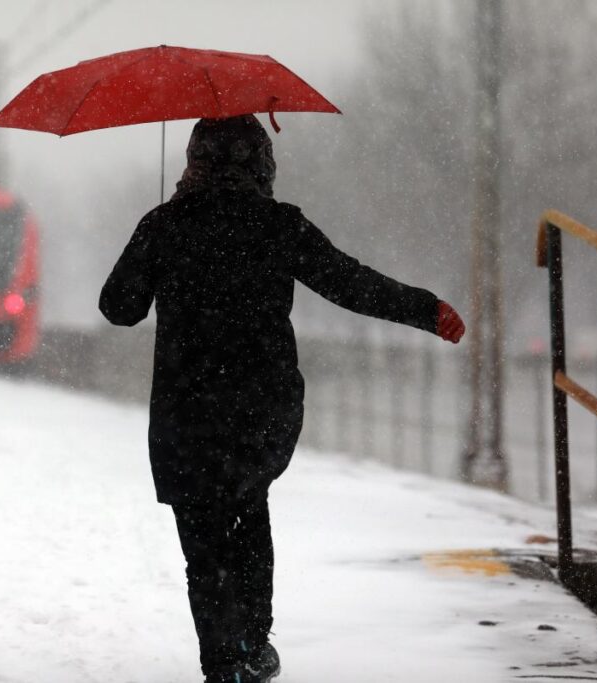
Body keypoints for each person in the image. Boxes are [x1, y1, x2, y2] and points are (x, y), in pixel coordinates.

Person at [99, 115, 466, 683]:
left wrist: (157, 237)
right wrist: (424, 309)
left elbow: (118, 308)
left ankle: (225, 661)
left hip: (186, 410)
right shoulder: (278, 225)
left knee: (205, 537)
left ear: (194, 158)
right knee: (248, 509)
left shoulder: (165, 225)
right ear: (261, 162)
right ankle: (253, 641)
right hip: (261, 407)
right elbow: (349, 283)